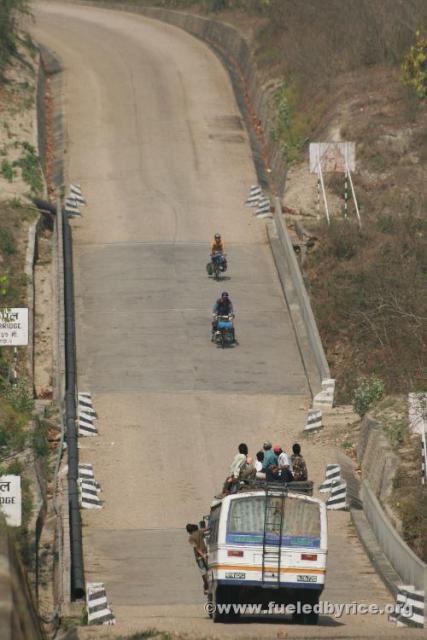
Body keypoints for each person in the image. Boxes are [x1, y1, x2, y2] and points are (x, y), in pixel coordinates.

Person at [186, 523, 209, 594]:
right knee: (208, 569)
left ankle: (206, 587)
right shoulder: (199, 532)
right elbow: (206, 529)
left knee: (203, 572)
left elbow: (196, 548)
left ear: (189, 531)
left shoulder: (190, 538)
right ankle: (208, 586)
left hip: (199, 557)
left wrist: (202, 556)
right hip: (205, 553)